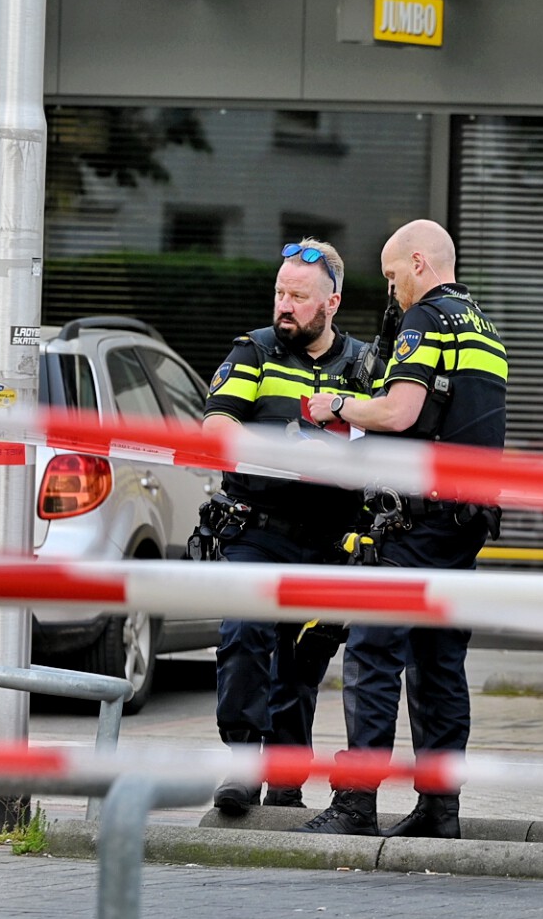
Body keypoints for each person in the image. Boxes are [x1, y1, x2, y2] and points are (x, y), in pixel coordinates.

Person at [294, 220, 507, 839]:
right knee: (439, 664)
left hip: (415, 522)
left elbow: (401, 410)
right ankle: (441, 809)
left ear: (419, 261)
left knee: (372, 652)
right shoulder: (486, 329)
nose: (393, 292)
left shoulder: (428, 319)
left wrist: (337, 406)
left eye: (393, 276)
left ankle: (356, 802)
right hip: (463, 525)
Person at [199, 239, 368, 814]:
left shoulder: (364, 365)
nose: (285, 306)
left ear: (332, 303)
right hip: (257, 528)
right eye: (280, 293)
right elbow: (217, 427)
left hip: (329, 538)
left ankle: (287, 787)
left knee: (303, 660)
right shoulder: (255, 352)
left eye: (298, 296)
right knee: (244, 636)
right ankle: (243, 766)